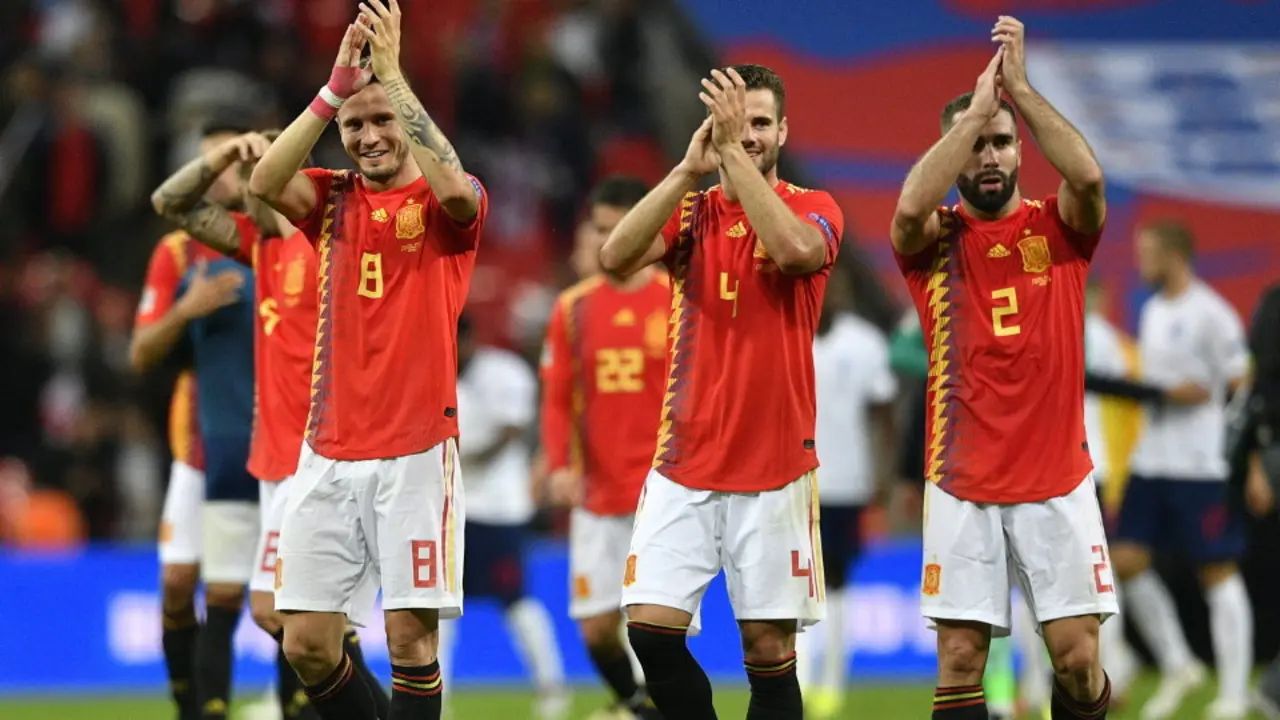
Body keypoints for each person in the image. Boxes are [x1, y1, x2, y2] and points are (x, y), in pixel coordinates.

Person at [248, 2, 487, 717]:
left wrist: (391, 79)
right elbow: (262, 184)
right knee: (306, 643)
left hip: (415, 447)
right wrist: (332, 91)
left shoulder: (452, 201)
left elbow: (453, 187)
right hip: (326, 449)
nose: (370, 136)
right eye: (356, 126)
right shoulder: (331, 199)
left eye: (381, 121)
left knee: (410, 640)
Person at [599, 63, 844, 720]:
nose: (749, 135)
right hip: (685, 462)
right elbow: (615, 258)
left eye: (760, 123)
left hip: (774, 467)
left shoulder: (815, 208)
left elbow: (794, 253)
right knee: (649, 629)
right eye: (739, 124)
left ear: (783, 131)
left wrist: (732, 158)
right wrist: (686, 170)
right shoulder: (693, 212)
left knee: (766, 648)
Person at [890, 16, 1116, 719]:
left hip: (1057, 478)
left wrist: (1018, 88)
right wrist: (970, 115)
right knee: (960, 659)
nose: (988, 156)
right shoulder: (934, 242)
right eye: (976, 144)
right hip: (963, 482)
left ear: (1021, 151)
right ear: (955, 153)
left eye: (1000, 142)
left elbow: (1087, 172)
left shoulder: (1061, 228)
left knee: (1078, 663)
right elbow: (906, 208)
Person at [152, 129, 391, 719]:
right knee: (274, 611)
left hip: (324, 459)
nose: (248, 181)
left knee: (292, 615)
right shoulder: (259, 246)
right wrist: (222, 156)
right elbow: (170, 204)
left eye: (260, 170)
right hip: (273, 458)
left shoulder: (335, 245)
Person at [133, 120, 258, 720]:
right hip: (201, 444)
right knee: (181, 584)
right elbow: (140, 353)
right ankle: (190, 704)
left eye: (230, 161)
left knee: (262, 598)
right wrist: (186, 309)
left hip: (281, 439)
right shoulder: (179, 250)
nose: (220, 174)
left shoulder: (281, 231)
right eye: (209, 163)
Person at [1111, 221, 1253, 720]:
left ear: (1174, 254)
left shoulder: (1211, 313)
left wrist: (1243, 455)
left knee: (1216, 571)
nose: (1140, 260)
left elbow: (1241, 383)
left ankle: (1233, 694)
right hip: (1153, 460)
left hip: (1201, 465)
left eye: (1147, 251)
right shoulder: (1151, 311)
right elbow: (1161, 386)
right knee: (1124, 559)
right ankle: (1178, 661)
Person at [541, 176, 668, 720]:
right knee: (596, 631)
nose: (606, 241)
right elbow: (555, 399)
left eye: (618, 229)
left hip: (662, 495)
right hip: (597, 493)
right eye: (598, 229)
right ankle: (640, 707)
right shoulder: (571, 308)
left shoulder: (677, 297)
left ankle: (651, 707)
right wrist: (558, 465)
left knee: (654, 624)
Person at [444, 314, 569, 719]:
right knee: (438, 606)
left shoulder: (504, 372)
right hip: (451, 510)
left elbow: (511, 431)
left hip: (499, 509)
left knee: (516, 601)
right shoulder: (435, 373)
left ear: (469, 338)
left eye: (454, 341)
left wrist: (456, 459)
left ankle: (551, 687)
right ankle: (436, 699)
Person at [796, 263, 896, 719]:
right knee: (793, 581)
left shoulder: (866, 342)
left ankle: (832, 681)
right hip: (790, 477)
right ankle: (798, 679)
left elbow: (883, 413)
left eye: (837, 286)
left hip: (845, 480)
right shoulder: (787, 332)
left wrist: (884, 475)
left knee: (834, 579)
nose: (829, 293)